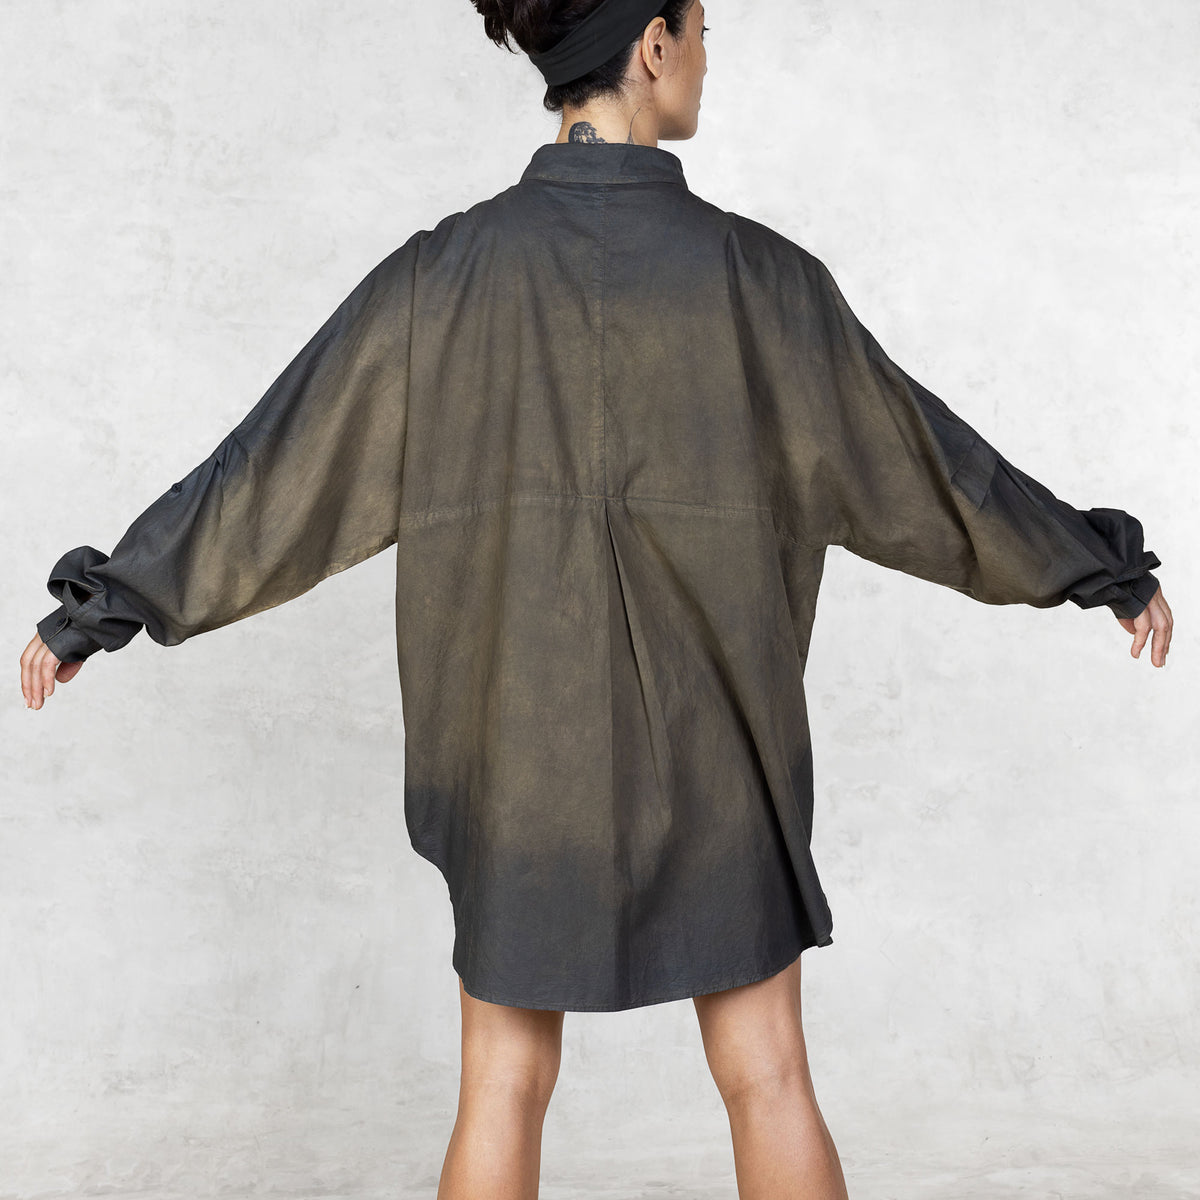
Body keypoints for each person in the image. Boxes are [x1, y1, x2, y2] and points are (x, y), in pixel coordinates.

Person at [19, 1, 1173, 1197]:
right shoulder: (761, 281)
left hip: (519, 764)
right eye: (704, 30)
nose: (711, 59)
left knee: (502, 1084)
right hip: (722, 749)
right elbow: (933, 473)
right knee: (767, 1071)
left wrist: (106, 604)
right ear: (654, 43)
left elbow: (271, 472)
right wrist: (1091, 563)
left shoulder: (441, 280)